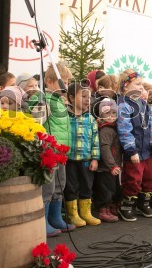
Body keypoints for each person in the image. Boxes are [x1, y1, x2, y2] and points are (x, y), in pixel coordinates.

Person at [28, 63, 75, 236]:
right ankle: (43, 221)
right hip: (49, 152)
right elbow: (36, 125)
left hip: (60, 152)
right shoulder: (44, 100)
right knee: (48, 187)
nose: (66, 85)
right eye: (63, 81)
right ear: (49, 81)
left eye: (68, 81)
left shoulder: (58, 101)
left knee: (59, 184)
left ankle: (55, 218)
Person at [117, 69, 152, 222]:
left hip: (146, 151)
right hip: (134, 152)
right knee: (133, 179)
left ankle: (143, 203)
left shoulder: (144, 104)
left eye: (143, 84)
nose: (142, 88)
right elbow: (124, 130)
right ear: (125, 87)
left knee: (151, 179)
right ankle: (126, 206)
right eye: (138, 84)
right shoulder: (124, 105)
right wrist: (131, 150)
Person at [64, 82, 101, 226]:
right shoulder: (65, 117)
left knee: (87, 185)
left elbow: (95, 140)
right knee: (71, 186)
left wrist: (95, 158)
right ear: (72, 98)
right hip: (69, 159)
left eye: (89, 97)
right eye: (83, 96)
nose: (87, 100)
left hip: (86, 159)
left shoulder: (90, 119)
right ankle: (73, 214)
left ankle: (86, 213)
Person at [91, 97, 121, 223]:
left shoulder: (112, 127)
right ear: (101, 114)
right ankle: (103, 210)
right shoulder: (106, 130)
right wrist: (112, 165)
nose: (111, 116)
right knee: (105, 190)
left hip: (111, 167)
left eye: (114, 113)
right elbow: (105, 149)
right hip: (105, 168)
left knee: (113, 188)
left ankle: (110, 207)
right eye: (107, 113)